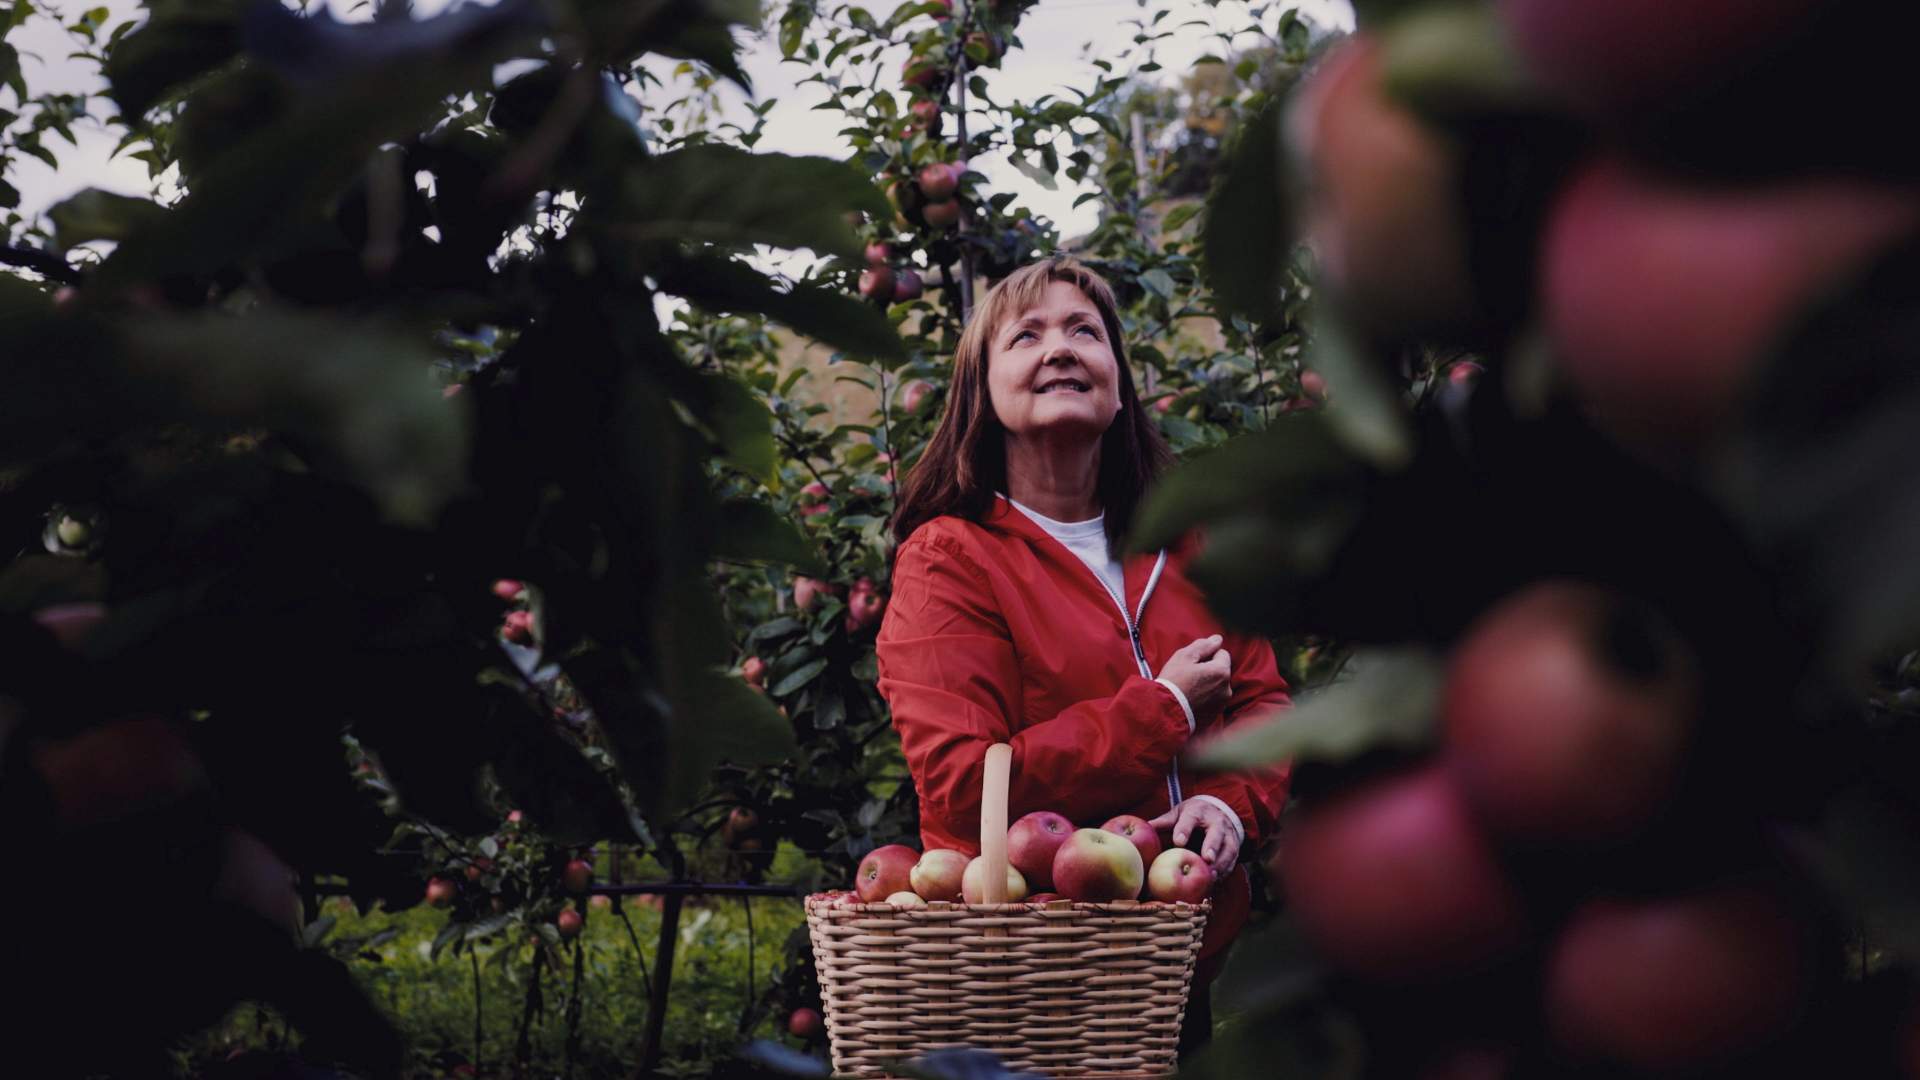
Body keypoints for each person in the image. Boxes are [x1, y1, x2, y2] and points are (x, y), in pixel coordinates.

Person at [874, 256, 1293, 1057]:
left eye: (1084, 331)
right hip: (1030, 969)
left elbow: (1265, 702)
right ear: (981, 393)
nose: (1060, 348)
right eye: (1026, 336)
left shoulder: (1189, 545)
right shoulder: (949, 560)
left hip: (1175, 956)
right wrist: (1162, 712)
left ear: (1119, 382)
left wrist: (1230, 804)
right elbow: (967, 787)